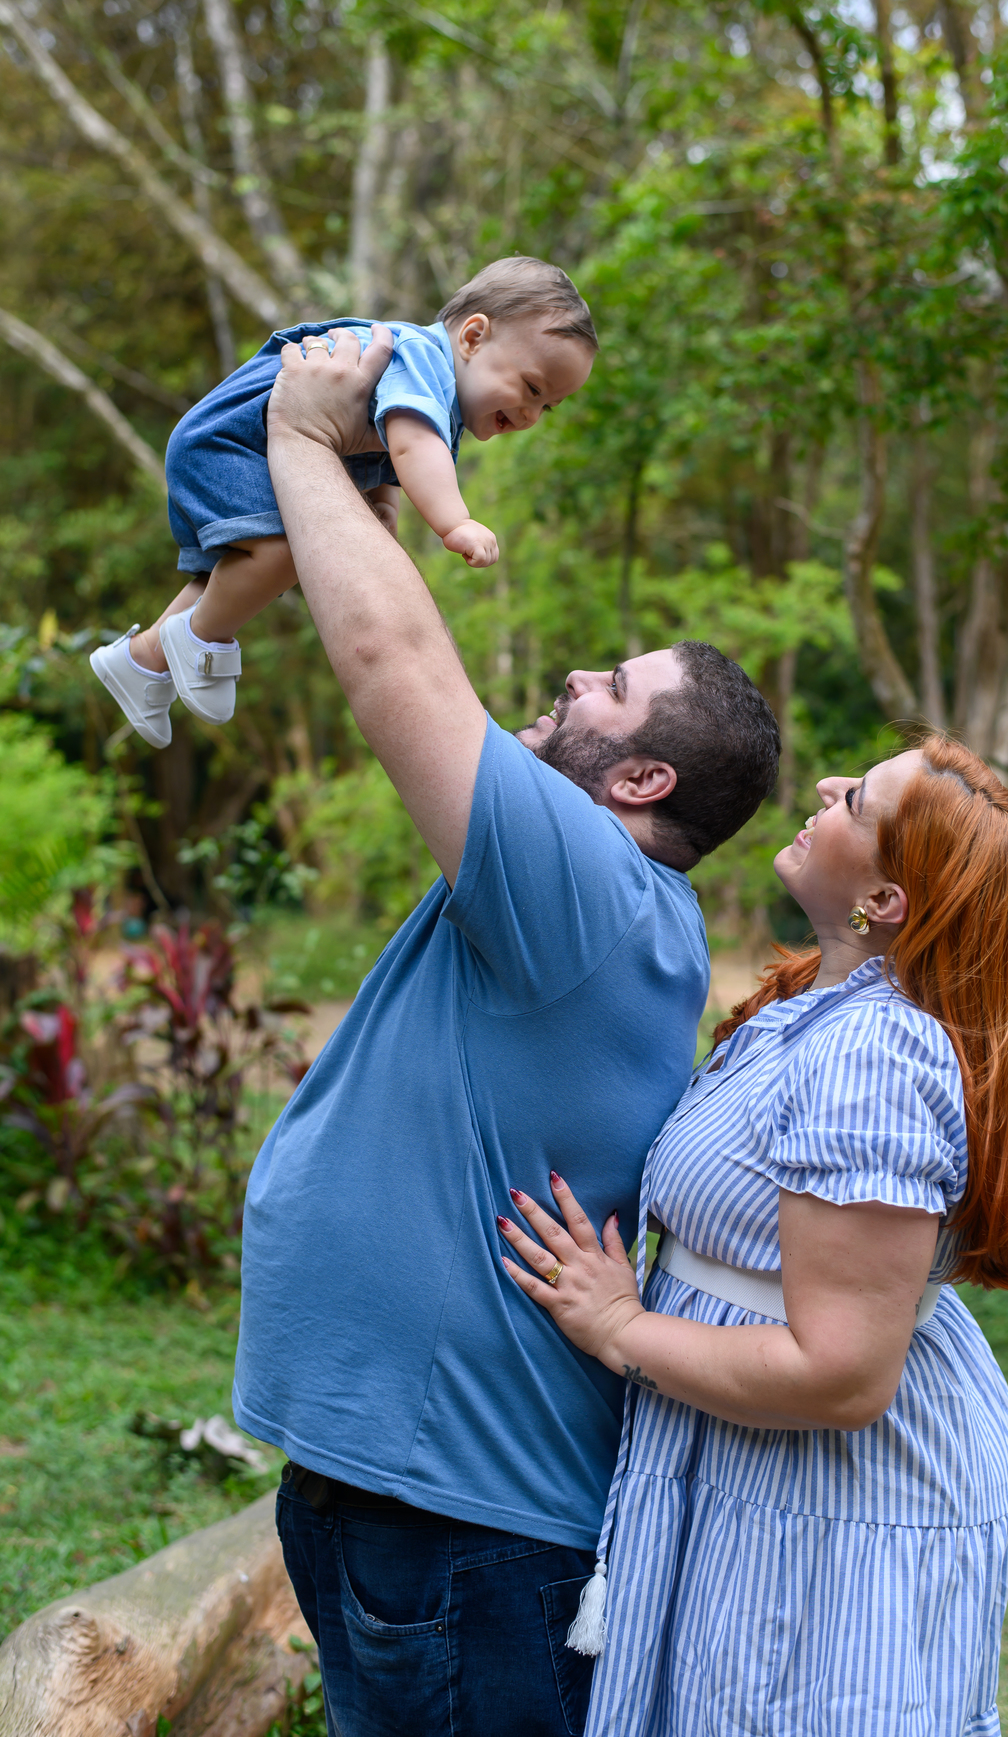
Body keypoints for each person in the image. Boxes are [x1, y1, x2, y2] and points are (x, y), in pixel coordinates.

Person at [228, 324, 781, 1737]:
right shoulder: (579, 898)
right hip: (404, 1502)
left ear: (641, 777)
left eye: (610, 688)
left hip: (464, 1535)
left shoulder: (592, 891)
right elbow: (389, 628)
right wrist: (352, 483)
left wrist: (298, 437)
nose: (575, 680)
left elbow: (392, 656)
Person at [500, 737, 1008, 1737]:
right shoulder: (817, 1010)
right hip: (752, 1453)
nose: (826, 788)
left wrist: (619, 1327)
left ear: (884, 901)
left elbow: (841, 1375)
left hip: (830, 1482)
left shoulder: (874, 1054)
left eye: (858, 801)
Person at [88, 256, 596, 746]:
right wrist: (455, 522)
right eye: (531, 388)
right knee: (286, 550)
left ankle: (141, 661)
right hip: (231, 442)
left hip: (242, 447)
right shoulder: (422, 359)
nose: (531, 414)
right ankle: (202, 638)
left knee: (237, 573)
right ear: (472, 337)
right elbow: (412, 446)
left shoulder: (436, 391)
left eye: (547, 406)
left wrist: (384, 505)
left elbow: (387, 447)